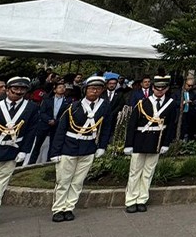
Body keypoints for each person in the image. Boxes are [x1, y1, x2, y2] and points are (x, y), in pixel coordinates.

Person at [50, 75, 113, 222]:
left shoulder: (105, 106)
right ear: (85, 90)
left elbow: (106, 127)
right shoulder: (73, 106)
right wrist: (55, 151)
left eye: (98, 88)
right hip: (69, 146)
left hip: (88, 147)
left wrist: (102, 146)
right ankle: (58, 209)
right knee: (63, 180)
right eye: (92, 88)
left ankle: (69, 207)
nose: (95, 91)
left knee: (78, 181)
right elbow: (61, 129)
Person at [123, 75, 178, 213]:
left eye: (162, 88)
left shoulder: (170, 104)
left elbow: (171, 125)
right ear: (152, 88)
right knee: (135, 172)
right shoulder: (142, 103)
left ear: (166, 89)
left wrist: (166, 143)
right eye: (157, 88)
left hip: (157, 141)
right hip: (140, 140)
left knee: (148, 172)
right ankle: (131, 200)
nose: (159, 90)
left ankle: (142, 199)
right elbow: (132, 125)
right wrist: (128, 144)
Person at [0, 76, 40, 212]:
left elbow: (31, 131)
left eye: (22, 89)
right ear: (7, 89)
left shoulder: (31, 107)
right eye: (15, 88)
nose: (18, 92)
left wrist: (24, 150)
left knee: (1, 184)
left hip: (12, 149)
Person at [30, 78, 71, 164]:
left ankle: (49, 162)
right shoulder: (47, 99)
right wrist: (49, 120)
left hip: (57, 126)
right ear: (55, 90)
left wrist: (56, 121)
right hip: (44, 124)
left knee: (53, 145)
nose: (62, 89)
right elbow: (42, 112)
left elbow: (66, 114)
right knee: (37, 145)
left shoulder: (68, 101)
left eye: (63, 87)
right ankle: (31, 162)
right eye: (60, 87)